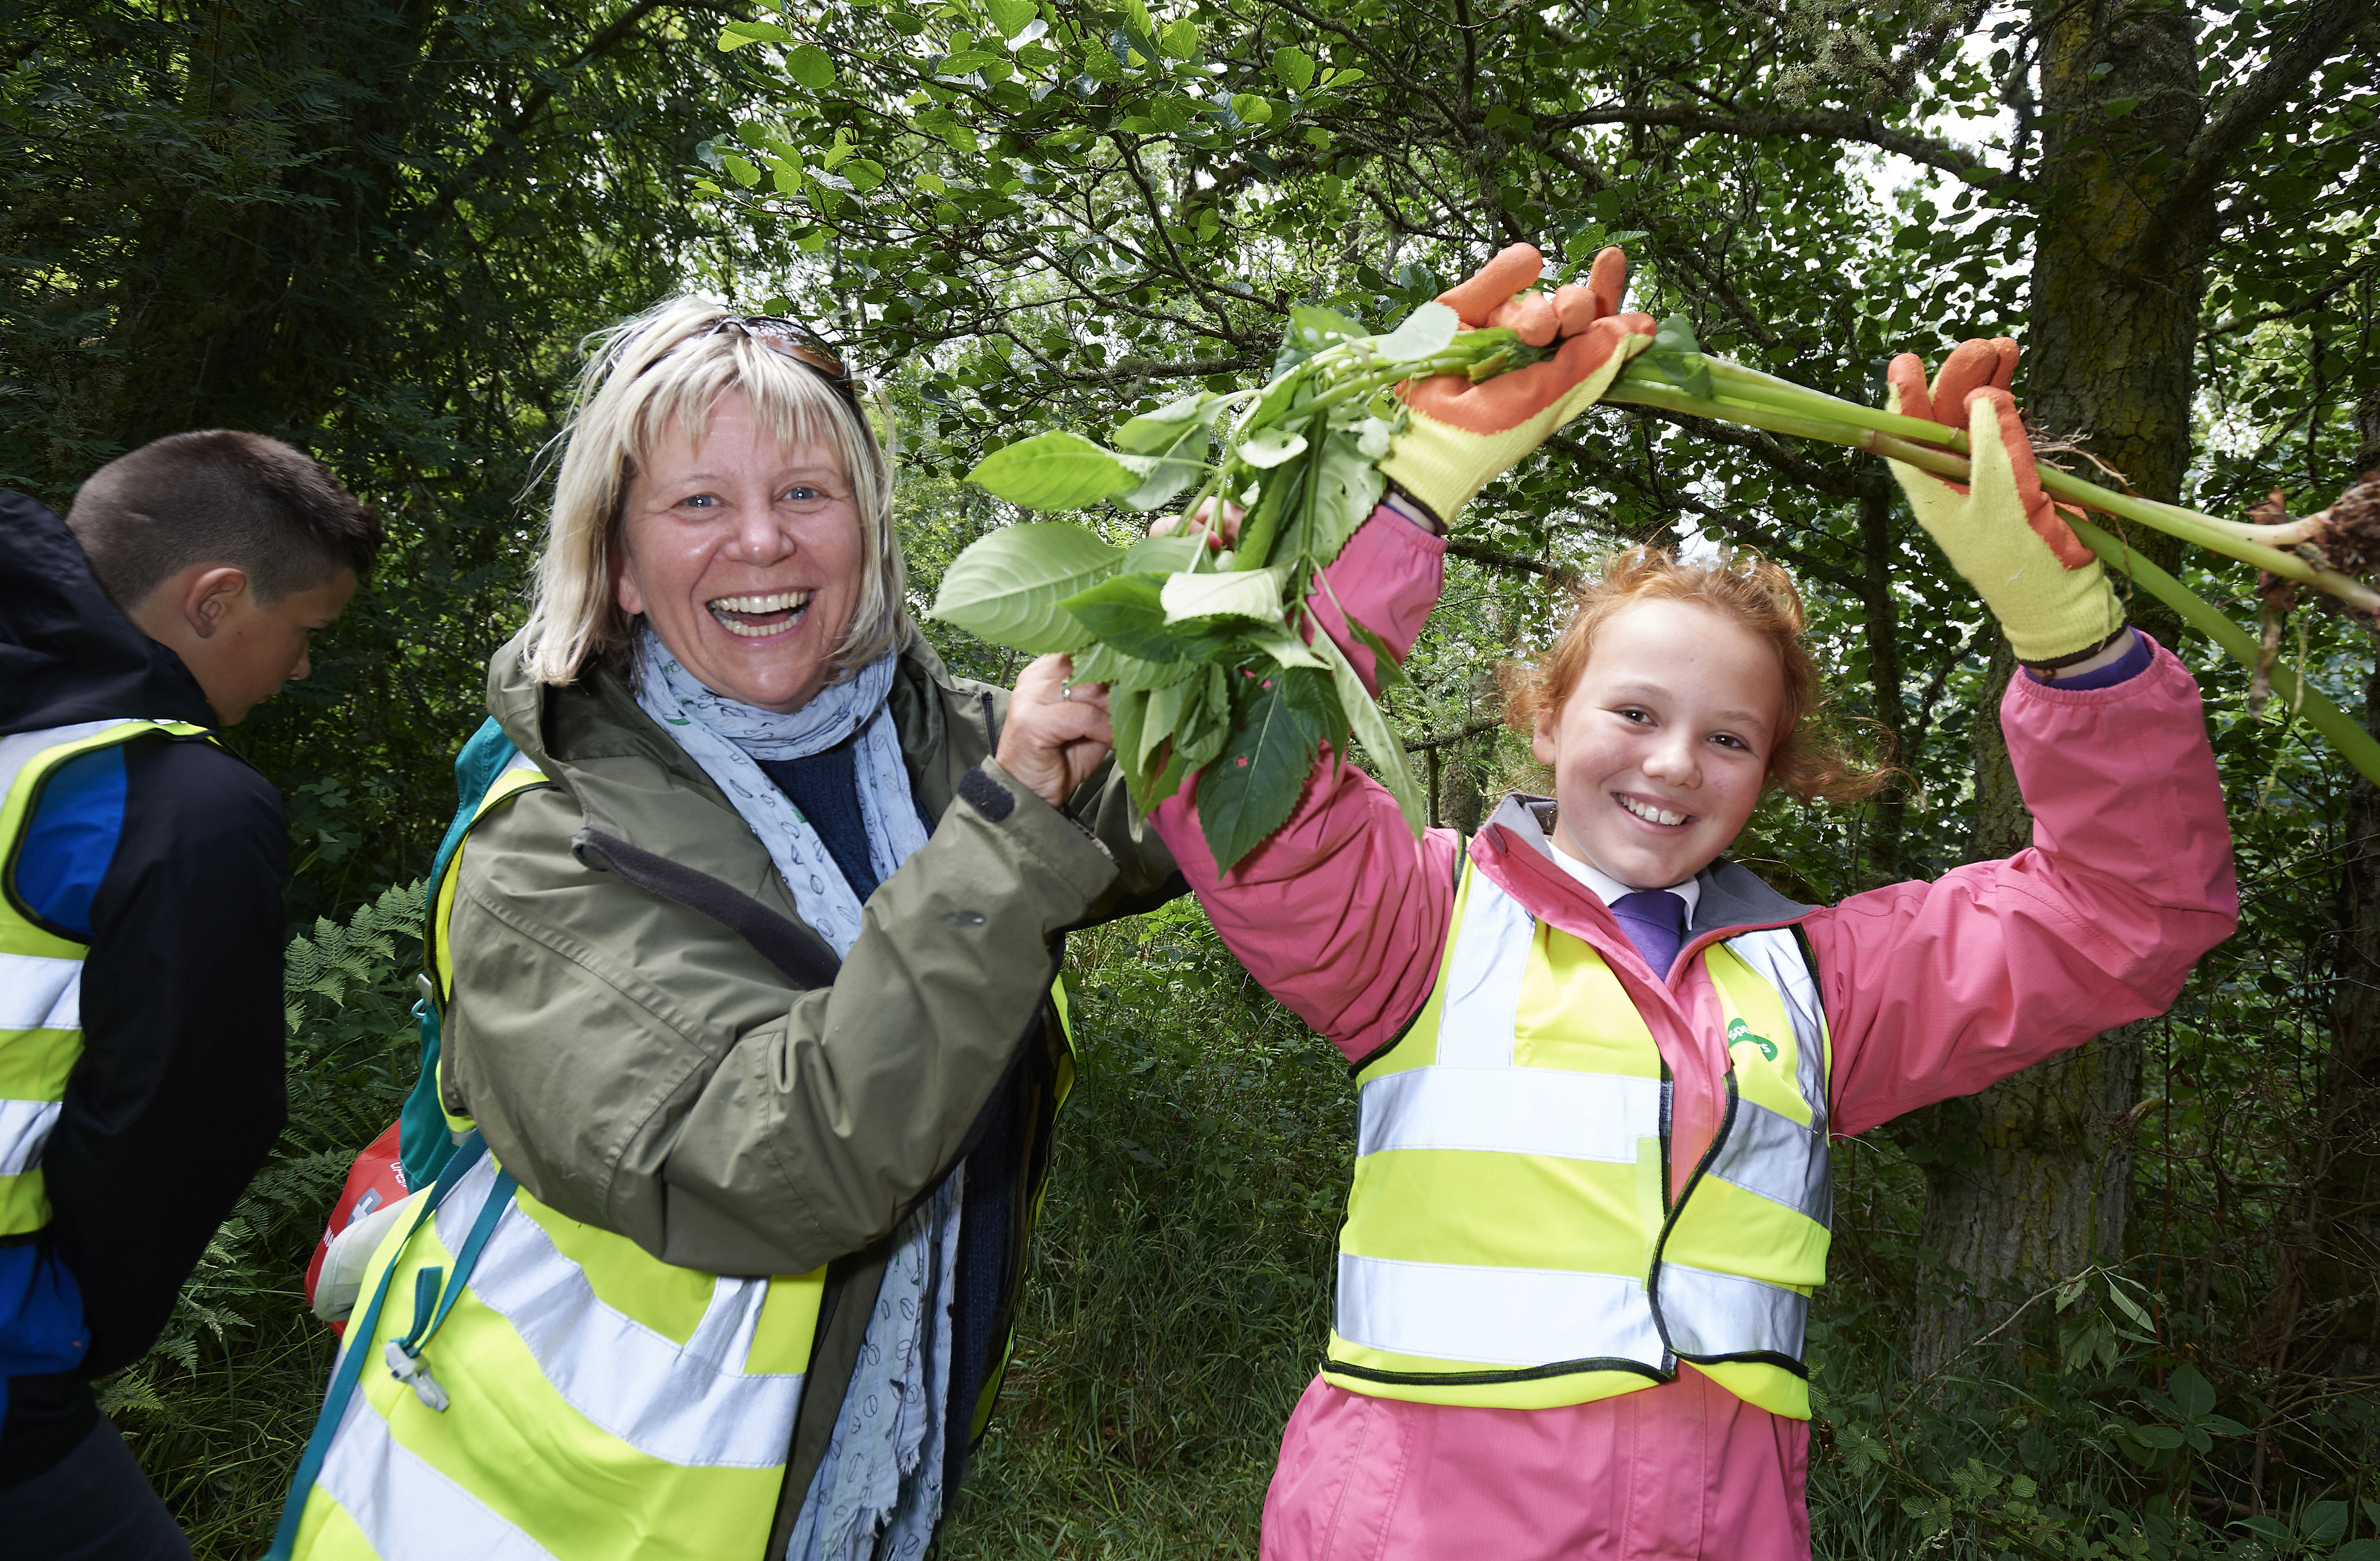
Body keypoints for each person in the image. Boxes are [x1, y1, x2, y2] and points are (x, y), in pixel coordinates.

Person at [1149, 261, 2239, 1558]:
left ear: (1769, 775)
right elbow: (1233, 777)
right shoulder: (1425, 923)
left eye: (1728, 738)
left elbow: (2135, 909)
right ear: (1549, 721)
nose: (1673, 764)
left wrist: (2069, 639)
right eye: (1635, 714)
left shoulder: (1822, 985)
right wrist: (1411, 494)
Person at [268, 297, 1188, 1561]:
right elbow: (777, 1156)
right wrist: (1013, 822)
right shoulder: (545, 846)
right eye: (697, 503)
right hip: (542, 1520)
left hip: (849, 1502)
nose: (762, 542)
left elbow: (1197, 806)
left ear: (867, 530)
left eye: (808, 492)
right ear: (620, 565)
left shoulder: (936, 743)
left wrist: (1312, 529)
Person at [0, 432, 381, 1559]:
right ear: (215, 599)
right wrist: (77, 1335)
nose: (301, 669)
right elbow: (179, 1122)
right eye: (304, 633)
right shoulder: (174, 804)